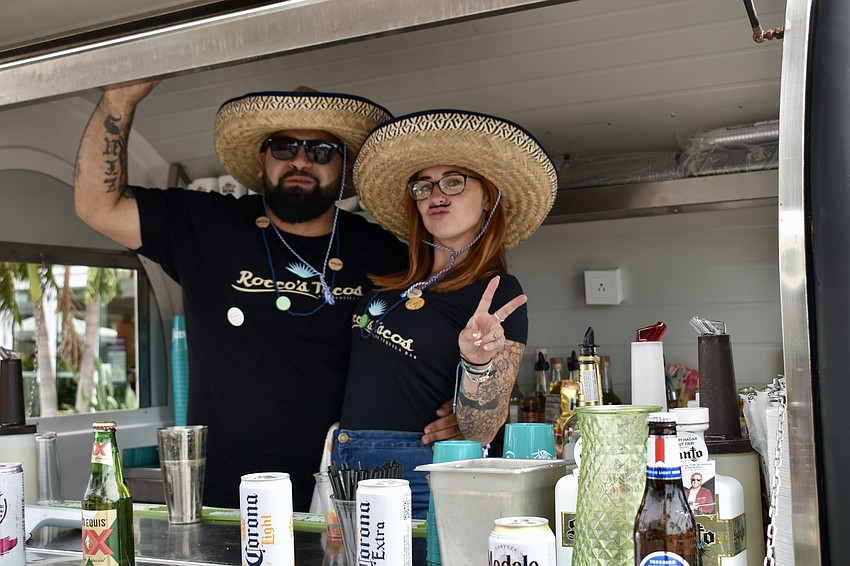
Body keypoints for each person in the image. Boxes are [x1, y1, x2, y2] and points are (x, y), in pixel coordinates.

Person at [72, 80, 461, 510]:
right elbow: (97, 206)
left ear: (343, 166)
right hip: (223, 500)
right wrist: (119, 98)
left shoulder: (385, 252)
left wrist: (463, 412)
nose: (300, 160)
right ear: (262, 159)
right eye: (283, 147)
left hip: (339, 497)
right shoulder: (204, 225)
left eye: (320, 151)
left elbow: (439, 335)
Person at [332, 109, 558, 517]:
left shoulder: (497, 292)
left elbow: (482, 429)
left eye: (454, 182)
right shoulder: (389, 281)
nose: (436, 195)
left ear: (489, 196)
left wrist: (475, 364)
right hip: (346, 464)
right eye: (424, 186)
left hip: (417, 474)